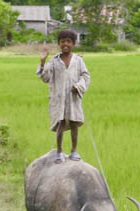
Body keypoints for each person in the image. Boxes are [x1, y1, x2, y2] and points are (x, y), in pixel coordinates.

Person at [37, 30, 91, 163]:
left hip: (73, 97)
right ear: (59, 44)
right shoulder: (54, 61)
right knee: (60, 123)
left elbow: (85, 76)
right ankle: (59, 151)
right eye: (62, 41)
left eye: (68, 41)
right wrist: (43, 61)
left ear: (73, 43)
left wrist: (78, 86)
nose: (65, 44)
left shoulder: (78, 60)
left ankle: (74, 150)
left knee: (74, 123)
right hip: (59, 98)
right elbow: (45, 77)